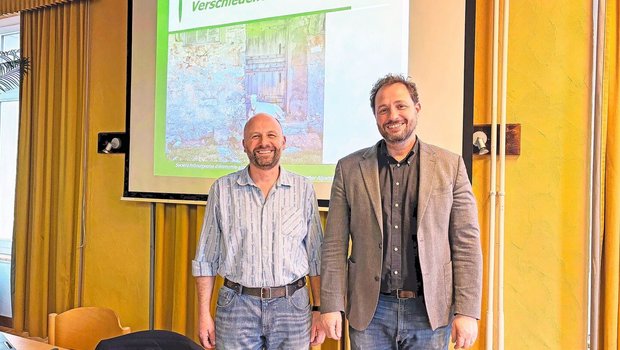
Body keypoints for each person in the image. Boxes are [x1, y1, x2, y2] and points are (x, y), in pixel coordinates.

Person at [320, 74, 482, 349]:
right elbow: (334, 243)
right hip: (371, 311)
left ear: (416, 108)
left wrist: (467, 310)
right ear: (376, 117)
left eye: (401, 106)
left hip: (429, 311)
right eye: (383, 109)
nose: (392, 115)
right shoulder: (349, 169)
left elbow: (466, 243)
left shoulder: (450, 166)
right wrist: (331, 304)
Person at [192, 113, 325, 349]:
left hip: (292, 307)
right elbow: (206, 258)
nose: (264, 143)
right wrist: (204, 314)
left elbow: (315, 257)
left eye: (271, 135)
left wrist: (318, 308)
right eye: (255, 136)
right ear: (244, 144)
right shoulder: (222, 190)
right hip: (236, 307)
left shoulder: (303, 189)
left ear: (283, 141)